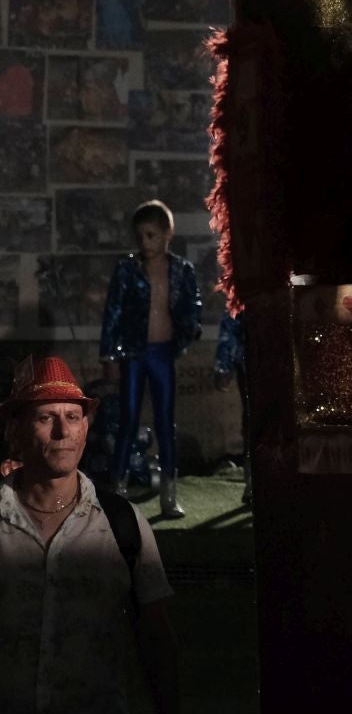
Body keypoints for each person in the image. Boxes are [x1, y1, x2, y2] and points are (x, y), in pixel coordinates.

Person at [0, 355, 179, 714]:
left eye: (72, 417)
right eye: (45, 417)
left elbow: (157, 639)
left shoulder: (121, 522)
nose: (62, 433)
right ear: (17, 430)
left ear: (85, 428)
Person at [100, 199, 202, 517]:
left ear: (167, 232)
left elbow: (191, 307)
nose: (145, 242)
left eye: (151, 235)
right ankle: (118, 489)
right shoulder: (127, 269)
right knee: (128, 420)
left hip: (162, 355)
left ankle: (169, 497)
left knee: (164, 424)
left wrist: (187, 335)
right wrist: (111, 357)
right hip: (133, 354)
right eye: (140, 236)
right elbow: (113, 313)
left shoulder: (183, 270)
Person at [213, 301, 251, 505]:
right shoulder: (247, 274)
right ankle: (253, 481)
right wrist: (224, 364)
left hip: (283, 355)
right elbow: (233, 312)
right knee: (252, 419)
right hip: (250, 357)